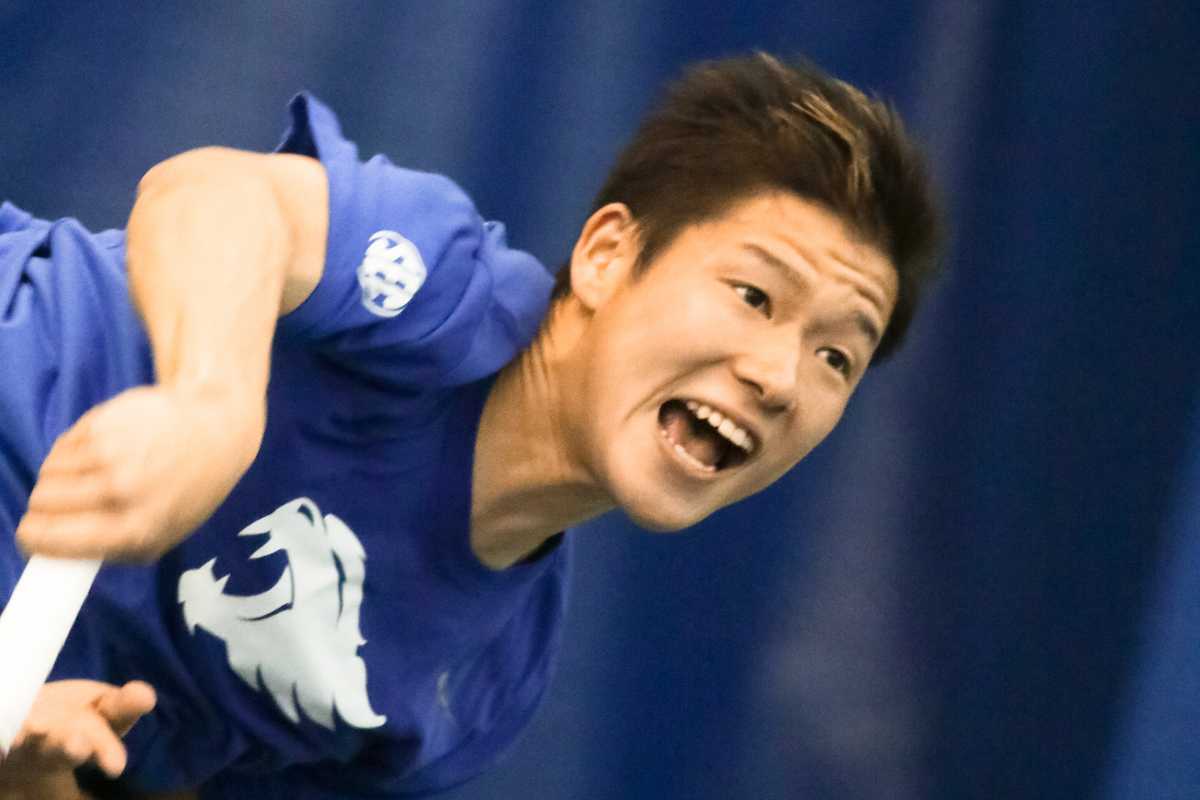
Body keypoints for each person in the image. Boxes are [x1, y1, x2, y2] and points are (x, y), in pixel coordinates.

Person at [0, 53, 941, 799]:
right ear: (609, 256)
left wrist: (32, 774)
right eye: (753, 294)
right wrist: (210, 405)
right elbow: (213, 194)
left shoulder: (479, 691)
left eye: (836, 358)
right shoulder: (450, 292)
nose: (780, 376)